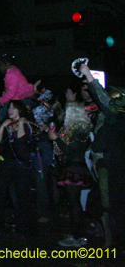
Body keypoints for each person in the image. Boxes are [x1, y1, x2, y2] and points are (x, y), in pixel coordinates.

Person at [74, 59, 125, 249]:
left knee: (111, 205)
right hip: (106, 162)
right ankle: (111, 242)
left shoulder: (117, 116)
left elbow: (107, 104)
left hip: (113, 164)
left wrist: (88, 74)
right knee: (106, 204)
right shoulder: (113, 117)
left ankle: (114, 245)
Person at [49, 100, 94, 247]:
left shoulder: (80, 131)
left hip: (75, 170)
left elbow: (72, 151)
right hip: (70, 167)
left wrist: (57, 139)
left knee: (75, 204)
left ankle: (77, 235)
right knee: (73, 203)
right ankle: (77, 233)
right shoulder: (73, 129)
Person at [0, 99, 37, 237]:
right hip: (6, 162)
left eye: (13, 108)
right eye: (9, 108)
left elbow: (21, 141)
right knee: (0, 192)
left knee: (21, 194)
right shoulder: (6, 124)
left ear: (20, 111)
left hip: (21, 163)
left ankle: (23, 225)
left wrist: (21, 122)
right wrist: (3, 126)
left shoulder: (27, 124)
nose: (10, 111)